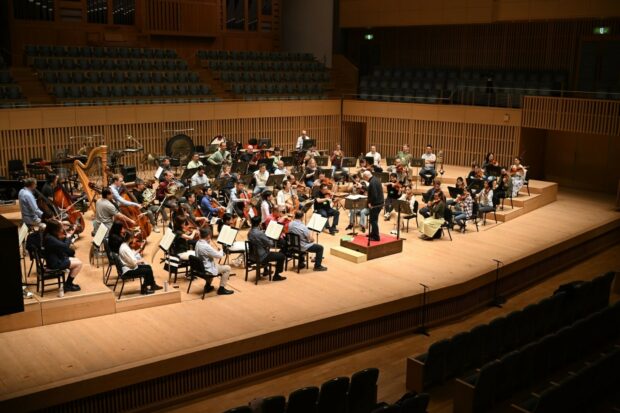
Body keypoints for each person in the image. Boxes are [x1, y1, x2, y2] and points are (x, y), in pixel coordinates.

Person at [117, 231, 162, 295]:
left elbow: (131, 255)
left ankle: (152, 285)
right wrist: (140, 261)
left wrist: (140, 249)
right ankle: (144, 288)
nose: (133, 239)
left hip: (130, 267)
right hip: (128, 270)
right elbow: (133, 263)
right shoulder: (125, 248)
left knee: (148, 267)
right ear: (130, 239)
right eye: (132, 238)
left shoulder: (124, 245)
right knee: (147, 271)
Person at [43, 219, 82, 291]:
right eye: (59, 228)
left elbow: (59, 242)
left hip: (56, 258)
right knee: (79, 264)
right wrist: (69, 237)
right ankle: (68, 285)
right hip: (55, 263)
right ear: (54, 229)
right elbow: (65, 247)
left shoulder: (48, 235)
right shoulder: (50, 238)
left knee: (77, 260)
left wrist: (66, 235)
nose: (61, 229)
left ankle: (69, 283)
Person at [194, 228, 234, 295]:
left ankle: (207, 286)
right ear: (208, 236)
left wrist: (210, 245)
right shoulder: (206, 246)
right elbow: (218, 256)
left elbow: (209, 253)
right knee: (227, 268)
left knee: (216, 264)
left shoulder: (198, 242)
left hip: (200, 267)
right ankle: (221, 289)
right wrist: (222, 250)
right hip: (207, 269)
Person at [247, 216, 286, 281]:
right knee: (281, 256)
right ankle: (276, 276)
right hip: (261, 257)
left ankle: (266, 270)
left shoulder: (249, 233)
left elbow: (257, 241)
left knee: (266, 249)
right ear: (259, 224)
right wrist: (273, 238)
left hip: (252, 256)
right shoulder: (260, 233)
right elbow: (271, 244)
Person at [363, 170, 384, 241]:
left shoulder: (372, 182)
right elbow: (370, 190)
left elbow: (374, 195)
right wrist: (362, 186)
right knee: (373, 219)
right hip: (379, 203)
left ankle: (376, 236)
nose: (364, 179)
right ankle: (373, 233)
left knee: (373, 220)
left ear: (366, 177)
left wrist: (370, 203)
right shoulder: (375, 179)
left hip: (376, 204)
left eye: (364, 178)